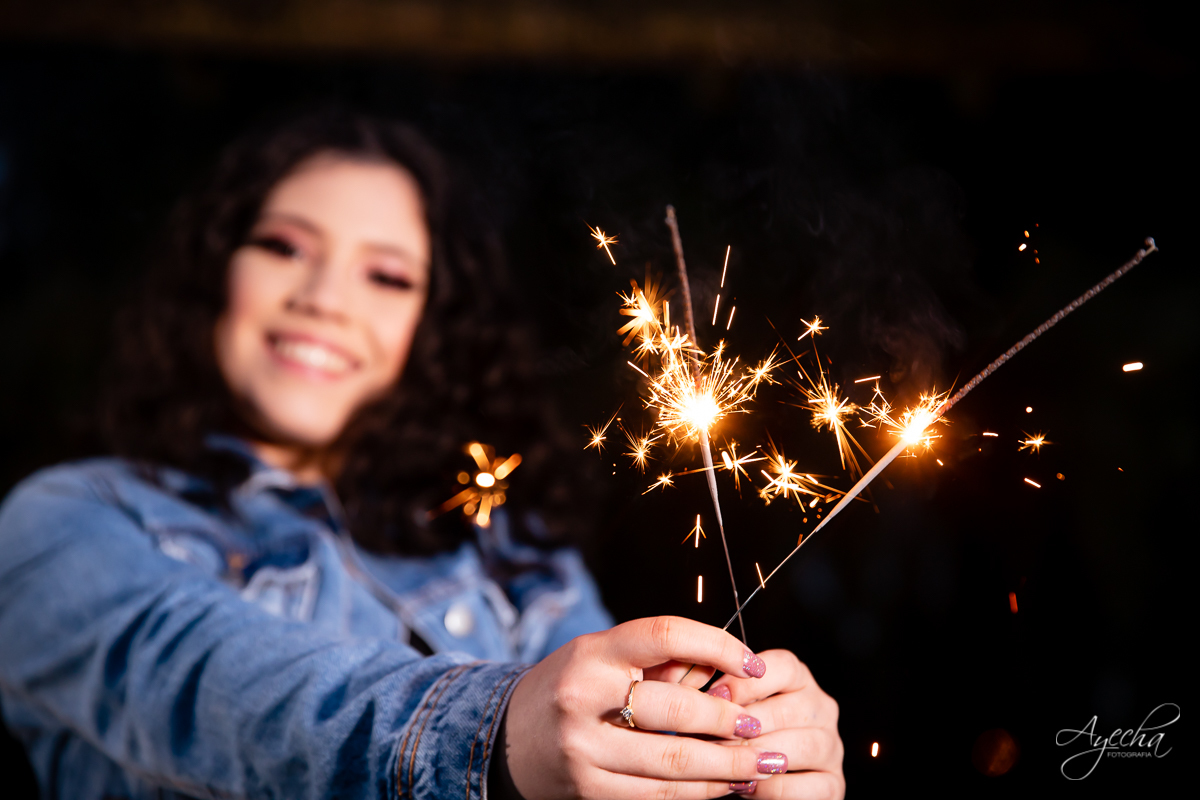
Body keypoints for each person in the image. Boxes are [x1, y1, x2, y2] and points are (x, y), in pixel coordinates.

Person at [0, 109, 844, 800]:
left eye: (388, 276)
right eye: (285, 247)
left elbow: (615, 741)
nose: (324, 299)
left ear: (431, 328)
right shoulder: (63, 521)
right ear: (214, 271)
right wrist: (497, 727)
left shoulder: (506, 548)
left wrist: (720, 753)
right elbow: (212, 690)